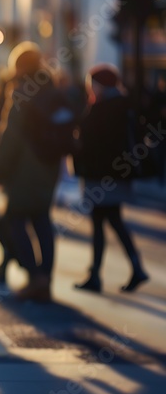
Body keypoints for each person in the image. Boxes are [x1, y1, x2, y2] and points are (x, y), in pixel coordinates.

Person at [0, 43, 65, 302]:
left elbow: (10, 136)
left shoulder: (20, 91)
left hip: (24, 167)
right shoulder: (51, 88)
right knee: (42, 221)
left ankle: (34, 277)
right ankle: (45, 279)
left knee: (15, 220)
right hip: (49, 165)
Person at [73, 65, 149, 293]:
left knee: (101, 222)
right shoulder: (123, 105)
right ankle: (132, 268)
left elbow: (91, 141)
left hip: (100, 175)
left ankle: (97, 275)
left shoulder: (103, 108)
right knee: (113, 220)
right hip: (117, 175)